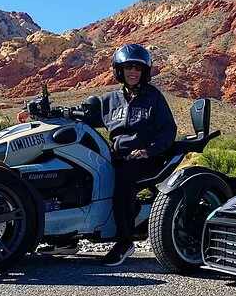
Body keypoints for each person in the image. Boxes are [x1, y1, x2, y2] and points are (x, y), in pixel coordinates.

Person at [20, 43, 177, 266]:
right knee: (79, 172)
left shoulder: (154, 97)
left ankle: (125, 241)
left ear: (145, 71)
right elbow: (80, 113)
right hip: (119, 155)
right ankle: (66, 237)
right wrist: (42, 111)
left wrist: (148, 150)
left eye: (138, 68)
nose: (133, 72)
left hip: (147, 157)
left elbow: (169, 130)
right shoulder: (110, 100)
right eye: (128, 67)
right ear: (119, 70)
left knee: (124, 177)